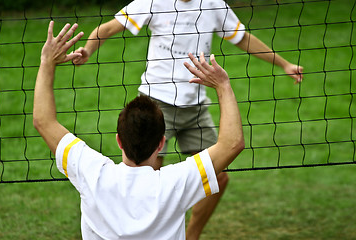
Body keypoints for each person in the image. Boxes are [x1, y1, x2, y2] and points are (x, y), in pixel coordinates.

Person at [72, 0, 303, 238]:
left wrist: (284, 64)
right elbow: (109, 28)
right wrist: (88, 50)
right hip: (157, 104)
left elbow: (242, 38)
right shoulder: (153, 2)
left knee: (219, 177)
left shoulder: (213, 4)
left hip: (195, 107)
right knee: (146, 177)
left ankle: (190, 236)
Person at [33, 21, 244, 239]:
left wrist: (47, 62)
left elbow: (43, 121)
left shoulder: (92, 173)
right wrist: (223, 85)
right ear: (161, 143)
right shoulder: (176, 183)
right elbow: (232, 143)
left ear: (119, 140)